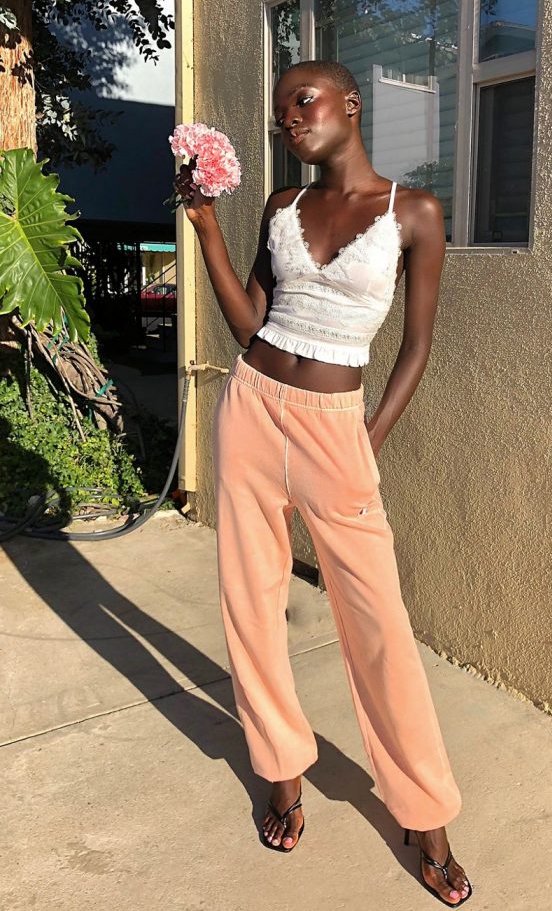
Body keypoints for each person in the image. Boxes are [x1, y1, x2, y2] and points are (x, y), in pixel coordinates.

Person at [175, 60, 472, 906]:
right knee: (251, 597)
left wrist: (367, 440)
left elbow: (414, 348)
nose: (288, 120)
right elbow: (247, 323)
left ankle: (424, 810)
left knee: (377, 620)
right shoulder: (281, 207)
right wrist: (204, 230)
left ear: (350, 103)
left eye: (300, 103)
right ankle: (280, 768)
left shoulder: (412, 213)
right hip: (252, 409)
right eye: (279, 112)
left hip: (337, 428)